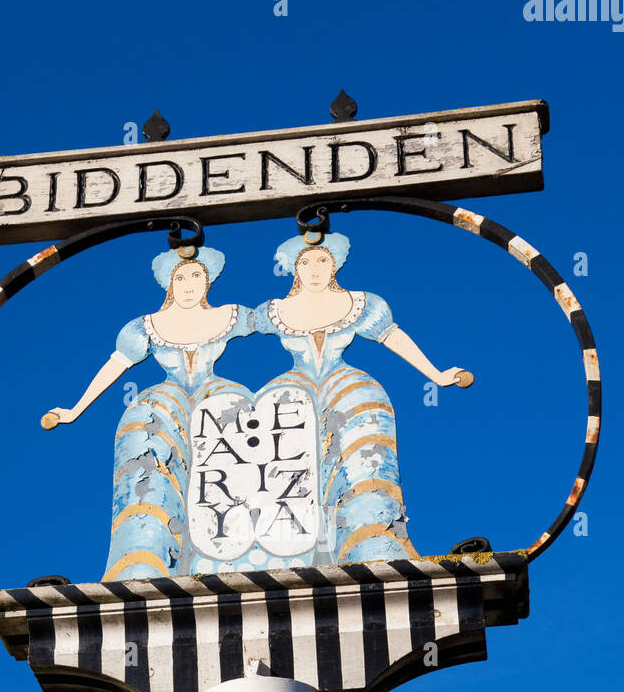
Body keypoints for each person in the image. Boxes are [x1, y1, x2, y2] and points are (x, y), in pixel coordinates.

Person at [251, 232, 473, 564]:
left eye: (323, 260)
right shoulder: (271, 311)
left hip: (350, 389)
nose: (315, 269)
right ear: (294, 269)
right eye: (306, 262)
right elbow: (223, 324)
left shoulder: (361, 304)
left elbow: (392, 336)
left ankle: (375, 543)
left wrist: (437, 375)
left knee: (363, 467)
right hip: (290, 394)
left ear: (335, 265)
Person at [41, 246, 253, 581]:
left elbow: (280, 319)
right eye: (180, 277)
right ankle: (143, 557)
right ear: (168, 284)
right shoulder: (145, 327)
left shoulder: (231, 315)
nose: (188, 284)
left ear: (208, 281)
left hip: (218, 397)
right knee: (147, 458)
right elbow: (116, 364)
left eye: (196, 275)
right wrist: (74, 410)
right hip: (163, 403)